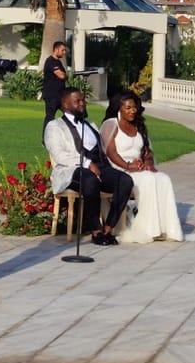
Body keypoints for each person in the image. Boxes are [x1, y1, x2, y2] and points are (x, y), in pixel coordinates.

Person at [45, 87, 133, 245]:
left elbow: (102, 150)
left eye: (82, 101)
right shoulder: (55, 126)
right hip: (71, 171)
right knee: (90, 179)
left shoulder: (90, 125)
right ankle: (96, 230)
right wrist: (86, 163)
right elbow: (59, 155)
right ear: (65, 104)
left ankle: (108, 228)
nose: (82, 104)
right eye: (77, 101)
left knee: (125, 180)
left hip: (99, 167)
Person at [100, 92, 184, 243]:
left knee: (163, 179)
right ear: (119, 109)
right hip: (119, 170)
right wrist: (127, 165)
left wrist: (148, 162)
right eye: (128, 107)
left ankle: (167, 229)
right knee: (148, 180)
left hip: (138, 167)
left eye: (134, 107)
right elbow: (110, 152)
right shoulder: (111, 124)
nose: (133, 110)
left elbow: (147, 150)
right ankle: (148, 229)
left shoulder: (138, 125)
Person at [42, 41, 67, 141]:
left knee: (70, 113)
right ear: (56, 49)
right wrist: (65, 75)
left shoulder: (58, 62)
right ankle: (46, 139)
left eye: (65, 50)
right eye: (62, 50)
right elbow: (61, 75)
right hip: (51, 95)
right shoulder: (50, 61)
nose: (64, 52)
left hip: (61, 95)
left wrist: (65, 75)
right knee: (50, 117)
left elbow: (64, 75)